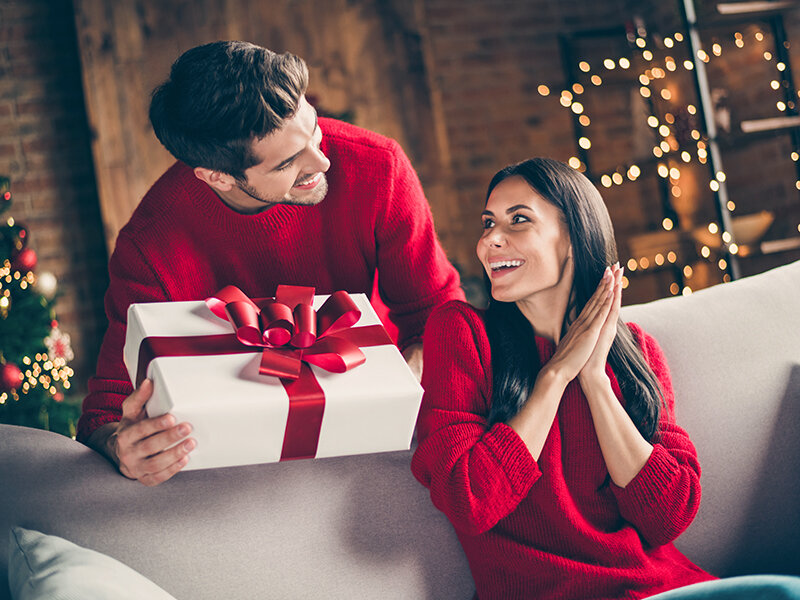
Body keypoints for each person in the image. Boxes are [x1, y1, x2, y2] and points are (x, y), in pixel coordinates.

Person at [410, 158, 800, 599]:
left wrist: (595, 380)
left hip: (665, 589)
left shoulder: (635, 351)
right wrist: (556, 376)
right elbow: (470, 501)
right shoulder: (462, 333)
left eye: (518, 220)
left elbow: (668, 516)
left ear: (574, 239)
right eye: (488, 223)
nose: (490, 242)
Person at [78, 40, 463, 486]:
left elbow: (438, 313)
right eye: (286, 162)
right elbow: (105, 412)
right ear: (217, 176)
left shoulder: (377, 167)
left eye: (314, 129)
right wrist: (121, 448)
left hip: (382, 431)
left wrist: (395, 392)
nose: (322, 160)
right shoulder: (150, 247)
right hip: (240, 463)